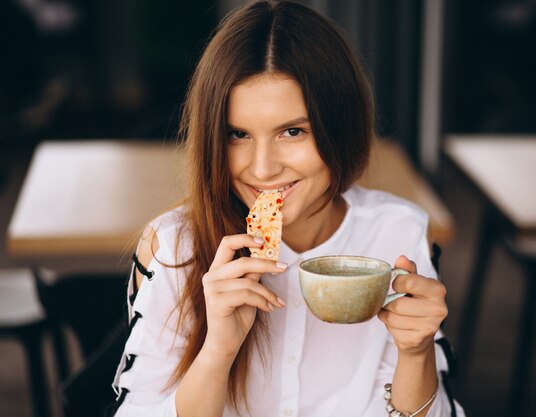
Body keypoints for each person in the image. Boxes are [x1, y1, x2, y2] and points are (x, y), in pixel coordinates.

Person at [110, 1, 464, 416]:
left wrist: (417, 352)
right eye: (237, 134)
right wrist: (217, 352)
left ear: (342, 125)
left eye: (293, 131)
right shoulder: (173, 249)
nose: (262, 168)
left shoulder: (397, 233)